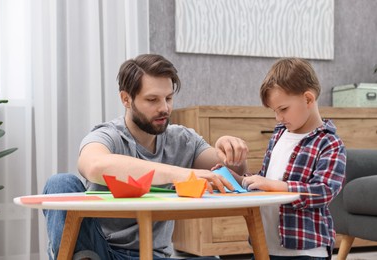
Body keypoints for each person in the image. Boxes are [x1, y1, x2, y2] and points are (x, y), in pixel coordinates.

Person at [42, 54, 248, 260]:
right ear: (126, 99)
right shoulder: (107, 136)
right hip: (101, 251)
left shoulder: (183, 140)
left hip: (154, 255)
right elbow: (95, 166)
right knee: (60, 183)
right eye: (152, 100)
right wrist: (180, 174)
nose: (164, 108)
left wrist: (233, 152)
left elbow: (231, 175)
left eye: (168, 98)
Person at [232, 58, 346, 259]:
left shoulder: (329, 143)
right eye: (275, 111)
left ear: (308, 99)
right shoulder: (279, 135)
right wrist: (239, 178)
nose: (278, 118)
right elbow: (266, 180)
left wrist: (274, 185)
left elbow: (323, 191)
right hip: (265, 245)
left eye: (283, 109)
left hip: (305, 251)